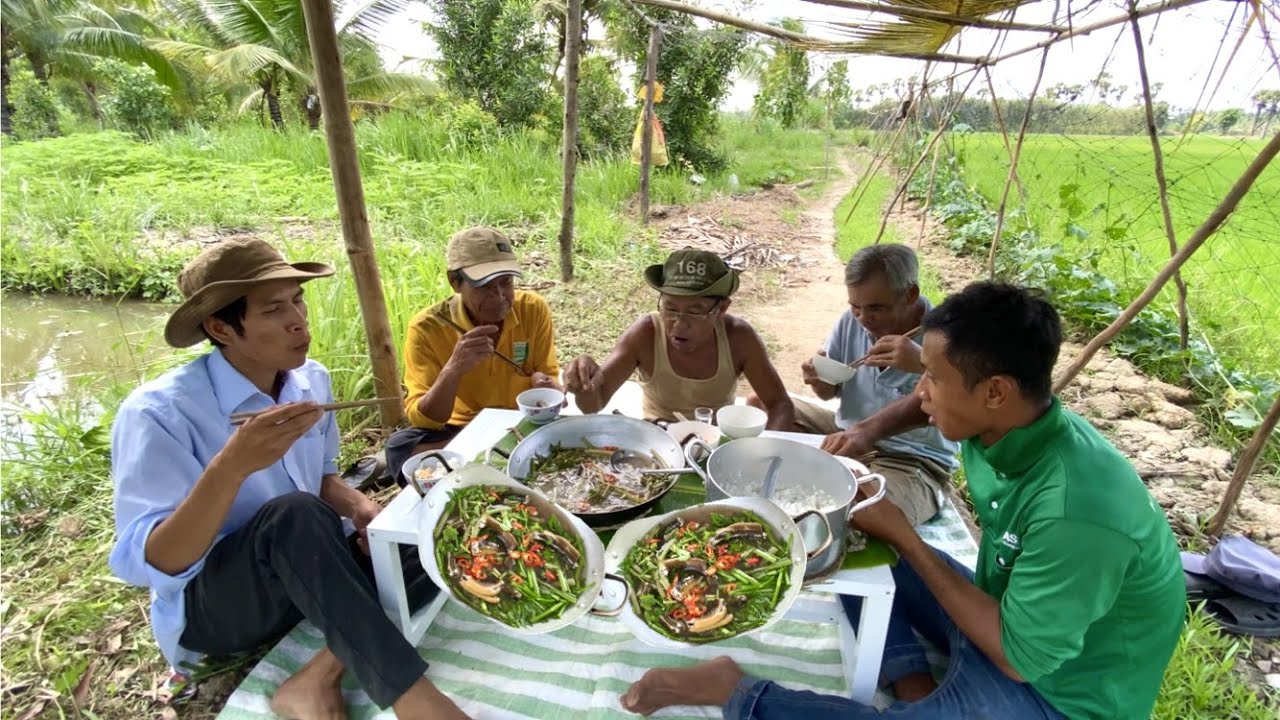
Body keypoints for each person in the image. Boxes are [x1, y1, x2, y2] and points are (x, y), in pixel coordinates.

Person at [620, 282, 1186, 720]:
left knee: (894, 543)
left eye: (932, 377)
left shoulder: (1077, 513)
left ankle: (735, 692)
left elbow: (1019, 659)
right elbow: (923, 406)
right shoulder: (1009, 421)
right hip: (1000, 611)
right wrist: (866, 432)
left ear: (995, 392)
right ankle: (909, 673)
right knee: (854, 538)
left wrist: (909, 539)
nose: (921, 391)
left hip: (1055, 691)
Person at [109, 238, 468, 720]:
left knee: (431, 532)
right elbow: (151, 562)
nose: (298, 320)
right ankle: (414, 698)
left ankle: (318, 675)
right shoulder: (159, 413)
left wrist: (360, 507)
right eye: (274, 310)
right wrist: (231, 468)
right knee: (292, 514)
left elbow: (320, 478)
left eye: (298, 301)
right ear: (221, 327)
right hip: (220, 606)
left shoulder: (309, 380)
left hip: (310, 571)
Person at [774, 243, 959, 527]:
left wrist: (924, 364)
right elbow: (830, 393)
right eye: (855, 306)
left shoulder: (945, 335)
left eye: (876, 308)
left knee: (862, 515)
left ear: (910, 294)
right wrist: (820, 379)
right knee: (764, 407)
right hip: (848, 434)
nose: (863, 318)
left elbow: (957, 401)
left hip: (910, 459)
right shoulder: (852, 321)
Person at [386, 227, 560, 481]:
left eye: (506, 282)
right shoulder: (427, 328)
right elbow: (425, 420)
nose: (499, 296)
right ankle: (494, 455)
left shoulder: (532, 309)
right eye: (484, 286)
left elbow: (550, 378)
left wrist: (545, 384)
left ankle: (481, 462)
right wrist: (453, 369)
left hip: (521, 421)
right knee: (399, 448)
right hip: (461, 429)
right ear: (455, 282)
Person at [563, 249, 794, 429]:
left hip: (713, 442)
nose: (679, 324)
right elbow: (593, 404)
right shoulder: (645, 334)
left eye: (695, 312)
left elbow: (780, 405)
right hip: (657, 438)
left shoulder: (739, 338)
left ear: (721, 309)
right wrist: (584, 386)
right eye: (670, 308)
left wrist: (766, 452)